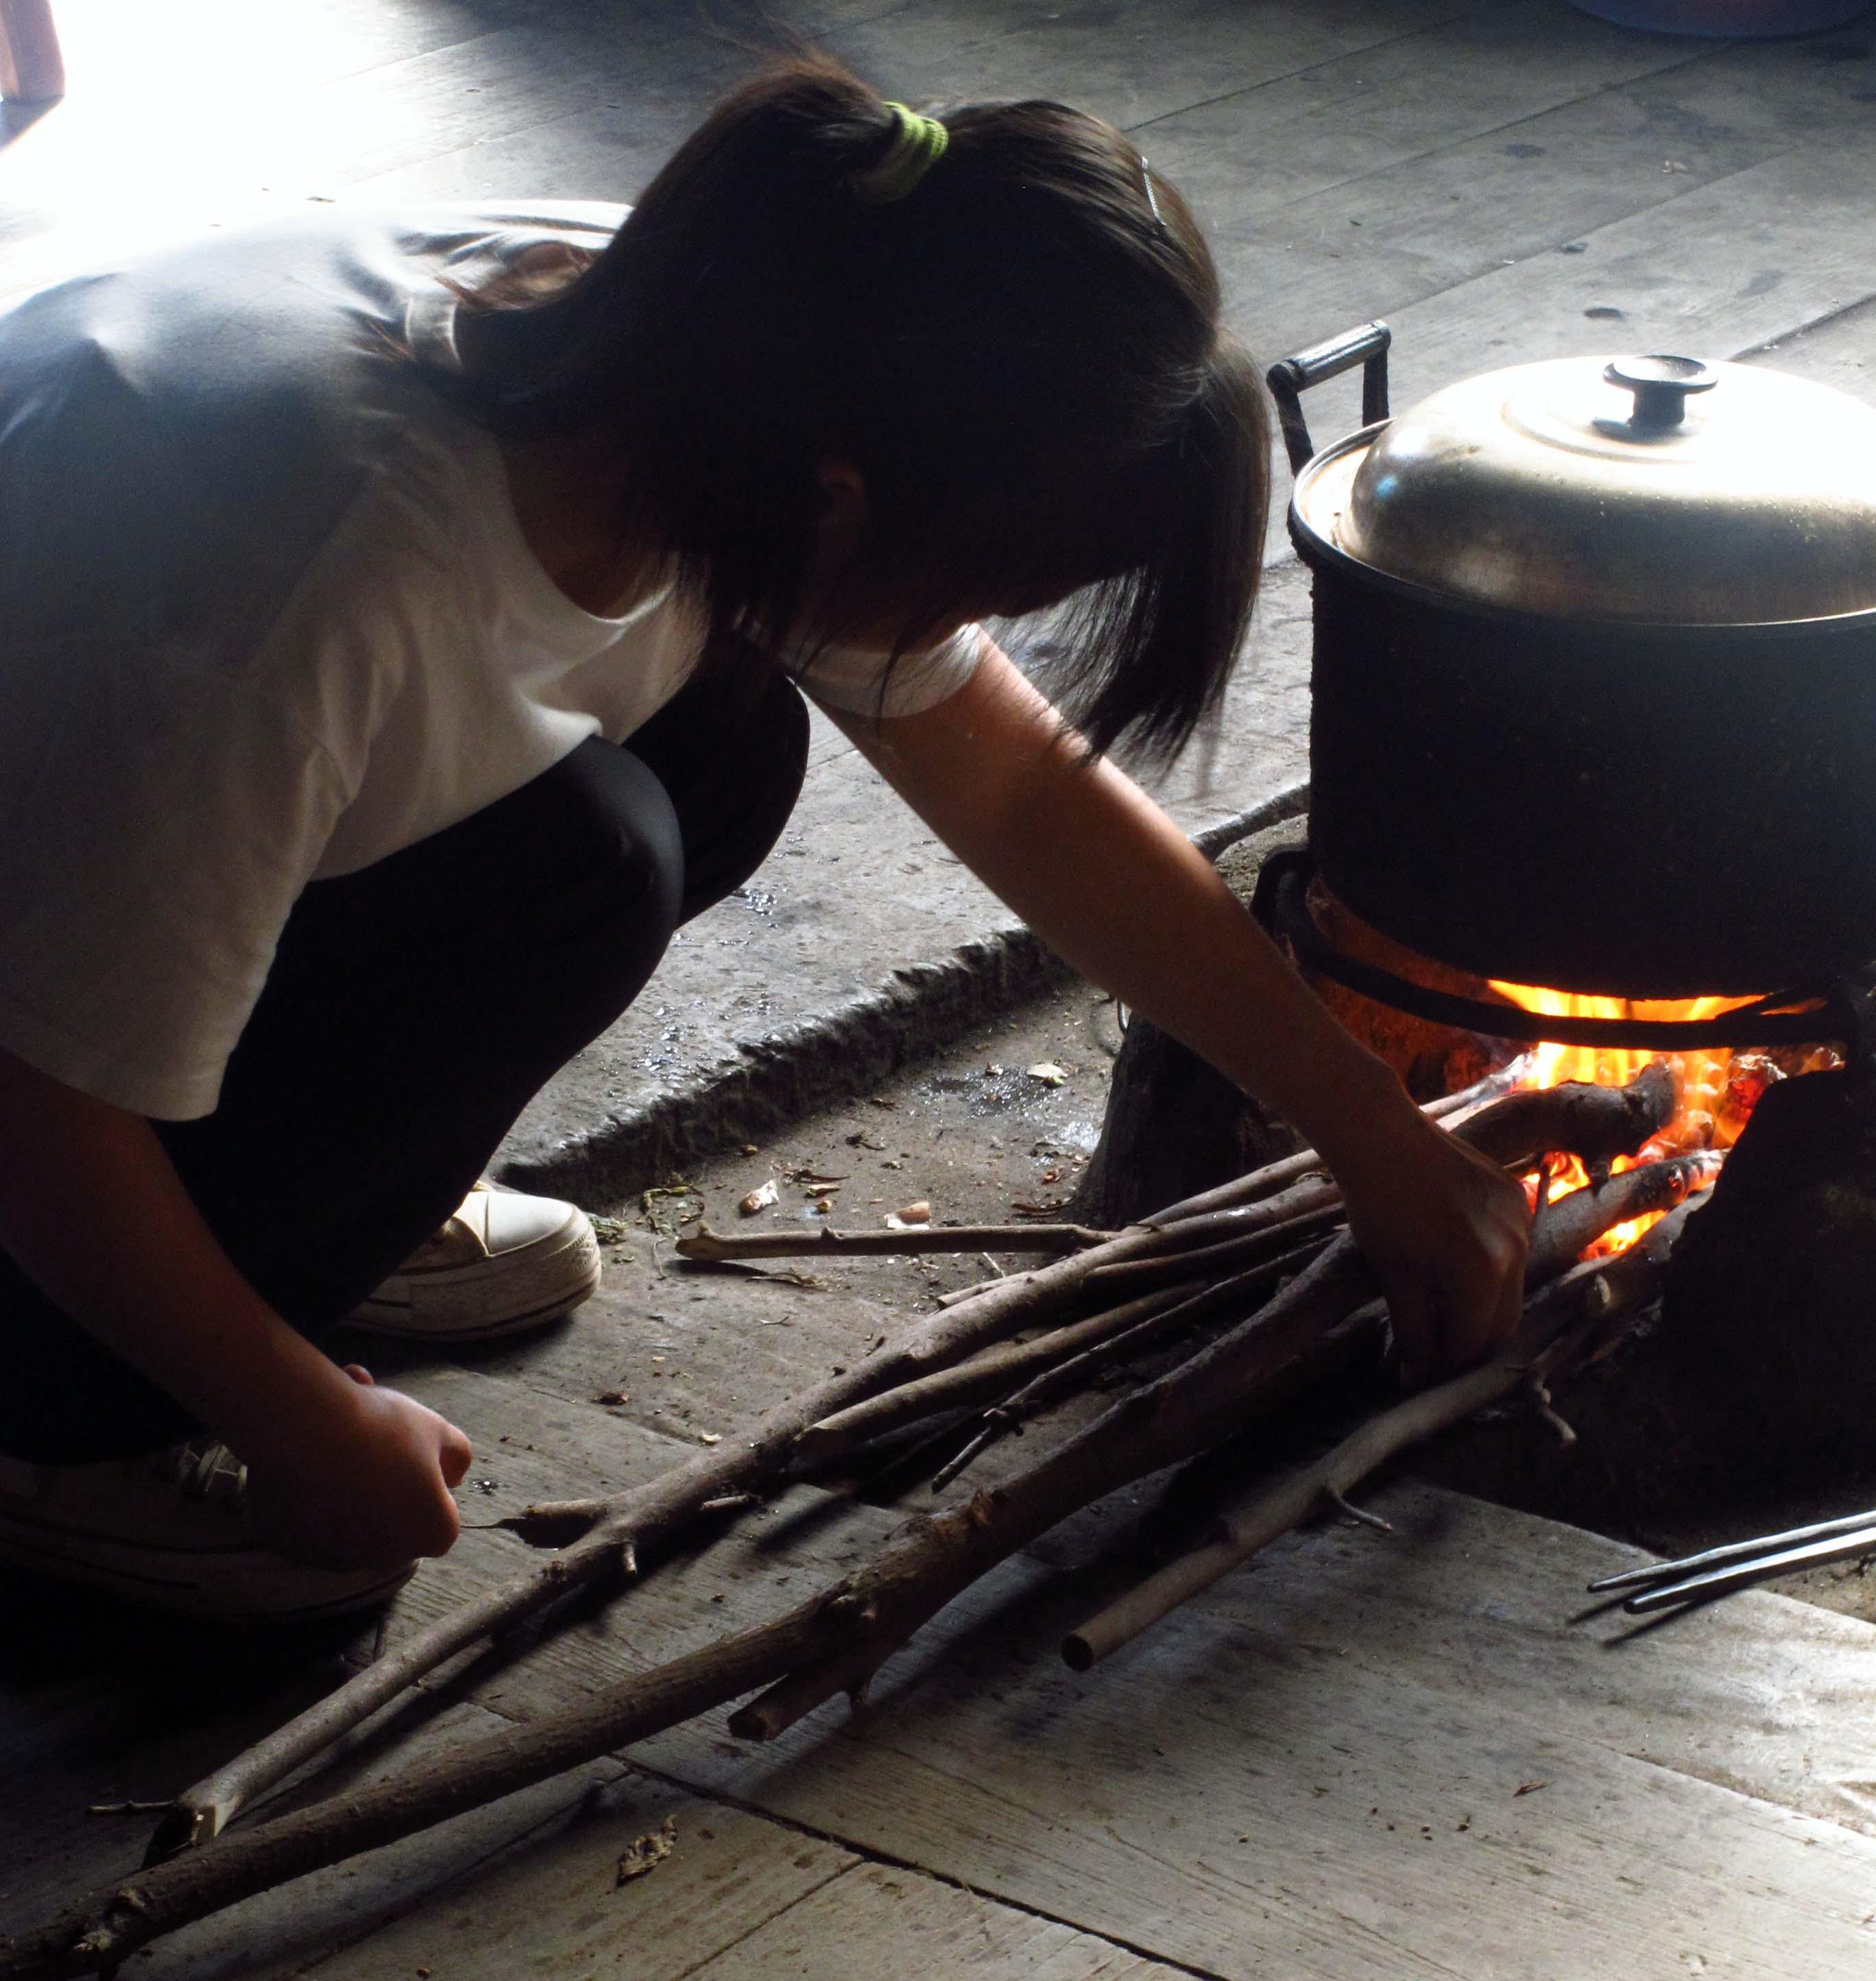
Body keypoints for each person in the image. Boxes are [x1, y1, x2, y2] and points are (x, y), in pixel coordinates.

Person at [0, 56, 1528, 1621]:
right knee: (590, 859)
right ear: (841, 501)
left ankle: (317, 1218)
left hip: (109, 840)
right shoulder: (319, 580)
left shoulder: (765, 337)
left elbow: (1014, 788)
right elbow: (38, 1107)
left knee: (723, 737)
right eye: (973, 595)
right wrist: (293, 1416)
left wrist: (1376, 1137)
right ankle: (64, 1430)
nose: (963, 639)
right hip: (31, 1064)